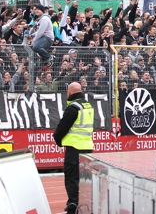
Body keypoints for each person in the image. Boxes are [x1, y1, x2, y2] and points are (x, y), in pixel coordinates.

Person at [53, 82, 94, 214]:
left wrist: (58, 140)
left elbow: (62, 128)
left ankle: (73, 207)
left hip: (74, 149)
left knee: (72, 179)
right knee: (85, 180)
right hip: (87, 148)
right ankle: (84, 205)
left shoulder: (73, 108)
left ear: (69, 93)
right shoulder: (88, 106)